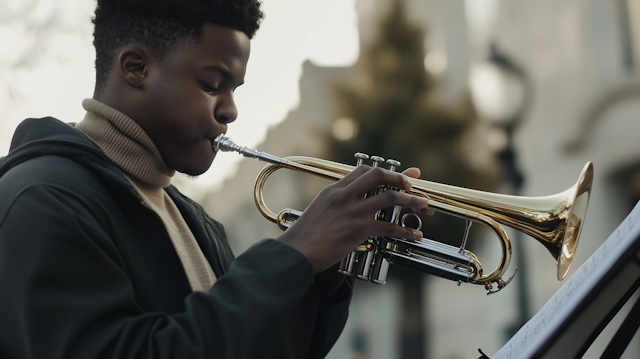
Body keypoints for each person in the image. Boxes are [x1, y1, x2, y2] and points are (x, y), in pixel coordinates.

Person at [0, 0, 431, 358]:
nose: (230, 111)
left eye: (235, 90)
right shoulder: (41, 200)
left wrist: (320, 268)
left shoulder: (193, 220)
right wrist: (292, 255)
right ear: (135, 68)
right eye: (211, 84)